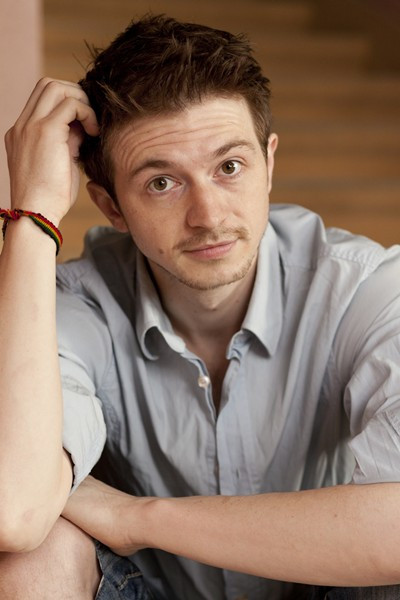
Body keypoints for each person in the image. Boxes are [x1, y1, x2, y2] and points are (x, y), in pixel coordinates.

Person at [0, 13, 400, 600]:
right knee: (30, 561)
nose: (209, 216)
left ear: (269, 164)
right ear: (111, 207)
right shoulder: (80, 304)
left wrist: (138, 518)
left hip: (330, 588)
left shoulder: (365, 287)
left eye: (229, 167)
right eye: (162, 182)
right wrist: (32, 216)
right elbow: (13, 510)